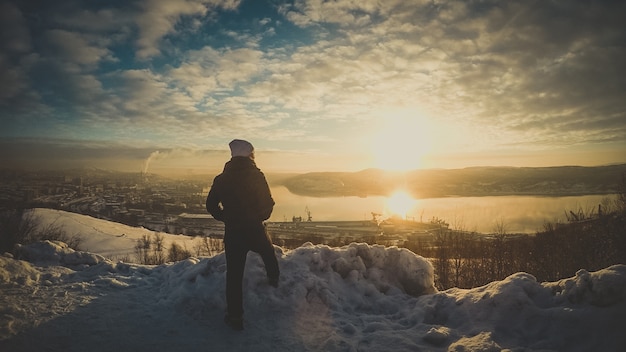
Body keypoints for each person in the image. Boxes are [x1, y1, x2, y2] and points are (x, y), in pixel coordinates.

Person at [205, 139, 280, 331]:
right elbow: (268, 204)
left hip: (233, 233)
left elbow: (211, 205)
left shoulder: (221, 178)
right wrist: (259, 217)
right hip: (255, 229)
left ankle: (235, 317)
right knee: (268, 253)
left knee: (234, 276)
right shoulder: (257, 176)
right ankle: (274, 281)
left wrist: (226, 218)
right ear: (249, 155)